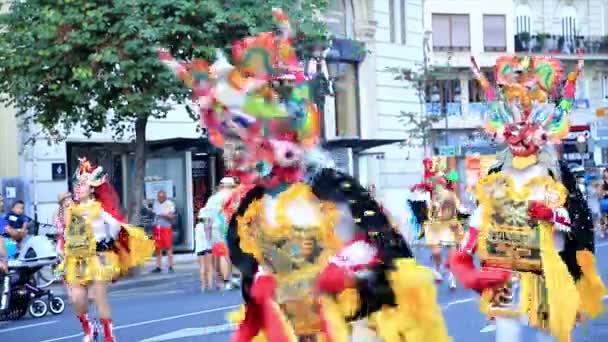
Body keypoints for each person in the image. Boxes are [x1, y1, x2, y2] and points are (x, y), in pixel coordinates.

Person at [159, 9, 450, 341]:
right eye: (227, 144)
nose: (232, 155)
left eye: (240, 142)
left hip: (350, 322)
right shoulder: (248, 208)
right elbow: (257, 263)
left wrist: (344, 270)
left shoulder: (328, 188)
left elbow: (377, 248)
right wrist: (261, 279)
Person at [450, 54, 606, 342]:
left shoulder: (550, 178)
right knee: (506, 333)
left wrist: (550, 215)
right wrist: (464, 251)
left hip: (543, 270)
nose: (520, 134)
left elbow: (567, 220)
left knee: (546, 332)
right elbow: (481, 216)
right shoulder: (496, 179)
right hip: (505, 271)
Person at [62, 158, 154, 342]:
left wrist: (107, 242)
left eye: (83, 185)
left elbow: (115, 225)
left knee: (98, 297)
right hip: (76, 260)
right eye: (77, 185)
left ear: (92, 189)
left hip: (97, 257)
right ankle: (89, 328)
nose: (78, 188)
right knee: (77, 299)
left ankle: (109, 335)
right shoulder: (70, 210)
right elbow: (65, 234)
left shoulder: (99, 209)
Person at [151, 190, 176, 273]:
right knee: (158, 247)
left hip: (166, 228)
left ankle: (170, 266)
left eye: (162, 197)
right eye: (159, 197)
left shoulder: (169, 204)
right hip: (157, 228)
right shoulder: (156, 203)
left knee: (168, 247)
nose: (160, 199)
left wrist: (163, 214)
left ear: (165, 197)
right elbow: (154, 214)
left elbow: (172, 216)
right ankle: (158, 266)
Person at [195, 210, 214, 292]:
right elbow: (209, 237)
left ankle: (203, 286)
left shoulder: (197, 226)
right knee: (209, 266)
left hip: (199, 248)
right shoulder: (208, 226)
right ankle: (210, 285)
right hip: (208, 247)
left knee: (202, 267)